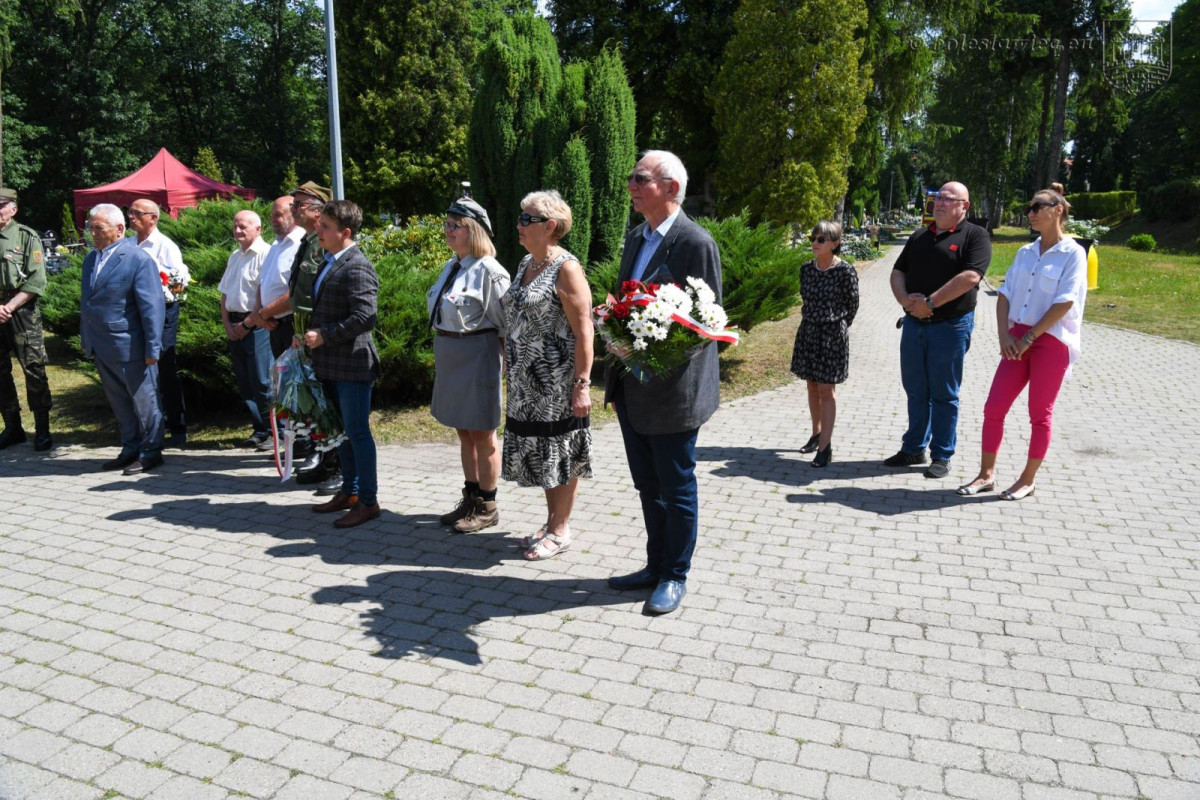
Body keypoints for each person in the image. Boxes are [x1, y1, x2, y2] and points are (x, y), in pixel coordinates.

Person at [603, 150, 722, 616]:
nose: (630, 185)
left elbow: (704, 326)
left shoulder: (695, 243)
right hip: (631, 386)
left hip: (672, 392)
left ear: (671, 188)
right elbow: (624, 304)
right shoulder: (637, 238)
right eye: (631, 177)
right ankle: (655, 565)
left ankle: (675, 575)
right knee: (646, 485)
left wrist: (651, 359)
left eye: (640, 178)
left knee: (675, 486)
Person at [957, 188, 1087, 501]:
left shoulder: (1073, 253)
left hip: (1050, 340)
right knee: (994, 408)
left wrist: (1029, 338)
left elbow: (1065, 302)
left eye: (1038, 206)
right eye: (1030, 206)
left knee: (1039, 414)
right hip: (1017, 340)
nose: (1031, 212)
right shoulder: (1025, 252)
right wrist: (1005, 336)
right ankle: (986, 475)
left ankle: (1027, 480)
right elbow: (1005, 295)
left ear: (1057, 210)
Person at [501, 190, 593, 560]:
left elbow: (584, 329)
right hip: (525, 380)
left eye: (527, 219)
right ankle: (551, 520)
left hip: (556, 381)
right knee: (542, 452)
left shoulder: (566, 268)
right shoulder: (527, 263)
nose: (519, 225)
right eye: (520, 217)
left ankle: (561, 528)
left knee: (561, 451)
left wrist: (583, 383)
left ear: (550, 226)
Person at [885, 181, 991, 479]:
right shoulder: (920, 235)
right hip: (914, 325)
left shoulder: (975, 236)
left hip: (950, 326)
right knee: (916, 389)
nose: (940, 203)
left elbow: (970, 276)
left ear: (964, 206)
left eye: (948, 199)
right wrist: (907, 302)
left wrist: (930, 302)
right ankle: (914, 448)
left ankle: (942, 455)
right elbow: (897, 272)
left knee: (944, 393)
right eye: (937, 198)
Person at [250, 181, 340, 492]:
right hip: (303, 335)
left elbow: (317, 298)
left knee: (326, 403)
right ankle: (325, 459)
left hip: (318, 337)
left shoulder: (321, 244)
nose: (293, 209)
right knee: (312, 403)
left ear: (318, 210)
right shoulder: (308, 243)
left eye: (299, 204)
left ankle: (336, 466)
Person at [428, 196, 510, 533]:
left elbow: (506, 322)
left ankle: (487, 505)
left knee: (483, 434)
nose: (447, 230)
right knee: (464, 431)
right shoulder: (454, 265)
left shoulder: (489, 271)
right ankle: (471, 496)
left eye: (454, 225)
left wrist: (504, 365)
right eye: (446, 224)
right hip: (451, 355)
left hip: (477, 355)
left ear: (473, 230)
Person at [303, 200, 383, 528]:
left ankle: (368, 500)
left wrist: (324, 335)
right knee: (341, 435)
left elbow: (366, 316)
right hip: (332, 364)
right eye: (318, 224)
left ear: (345, 232)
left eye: (325, 227)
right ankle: (348, 492)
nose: (317, 231)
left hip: (353, 365)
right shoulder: (329, 260)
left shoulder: (357, 265)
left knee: (357, 433)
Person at [80, 204, 166, 475]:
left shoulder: (137, 259)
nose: (93, 233)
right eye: (91, 227)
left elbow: (152, 308)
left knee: (145, 403)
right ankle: (130, 448)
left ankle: (151, 452)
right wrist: (87, 340)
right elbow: (88, 303)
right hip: (103, 345)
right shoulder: (91, 259)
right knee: (120, 403)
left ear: (119, 230)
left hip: (131, 347)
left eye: (99, 228)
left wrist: (153, 347)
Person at [789, 220, 859, 468]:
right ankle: (816, 434)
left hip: (832, 335)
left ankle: (825, 447)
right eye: (813, 238)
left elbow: (852, 306)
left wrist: (837, 326)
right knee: (811, 385)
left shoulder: (845, 271)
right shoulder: (806, 269)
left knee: (826, 390)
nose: (815, 243)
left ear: (835, 243)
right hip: (808, 331)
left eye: (821, 239)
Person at [128, 199, 188, 448]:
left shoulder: (166, 246)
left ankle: (177, 426)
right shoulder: (129, 244)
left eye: (136, 213)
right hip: (135, 314)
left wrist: (157, 292)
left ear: (153, 217)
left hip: (162, 313)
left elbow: (179, 285)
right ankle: (149, 425)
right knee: (141, 370)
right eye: (129, 212)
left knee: (163, 366)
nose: (131, 217)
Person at [0, 188, 53, 451]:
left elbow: (36, 281)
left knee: (33, 369)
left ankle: (43, 430)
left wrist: (7, 307)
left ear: (13, 209)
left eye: (1, 206)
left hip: (22, 311)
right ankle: (12, 428)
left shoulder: (26, 236)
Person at [218, 210, 273, 449]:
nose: (238, 230)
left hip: (257, 325)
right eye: (235, 226)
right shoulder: (235, 256)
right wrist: (227, 323)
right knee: (245, 381)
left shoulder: (266, 254)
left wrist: (247, 324)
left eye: (243, 226)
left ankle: (275, 431)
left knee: (262, 380)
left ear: (258, 229)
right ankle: (260, 429)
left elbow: (265, 295)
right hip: (235, 324)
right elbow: (224, 293)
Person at [246, 196, 304, 359]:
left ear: (294, 213)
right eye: (272, 216)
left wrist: (263, 314)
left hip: (294, 326)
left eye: (278, 215)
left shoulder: (301, 244)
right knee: (282, 381)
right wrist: (259, 311)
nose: (273, 220)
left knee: (296, 381)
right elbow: (262, 282)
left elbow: (299, 290)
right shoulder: (276, 244)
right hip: (274, 326)